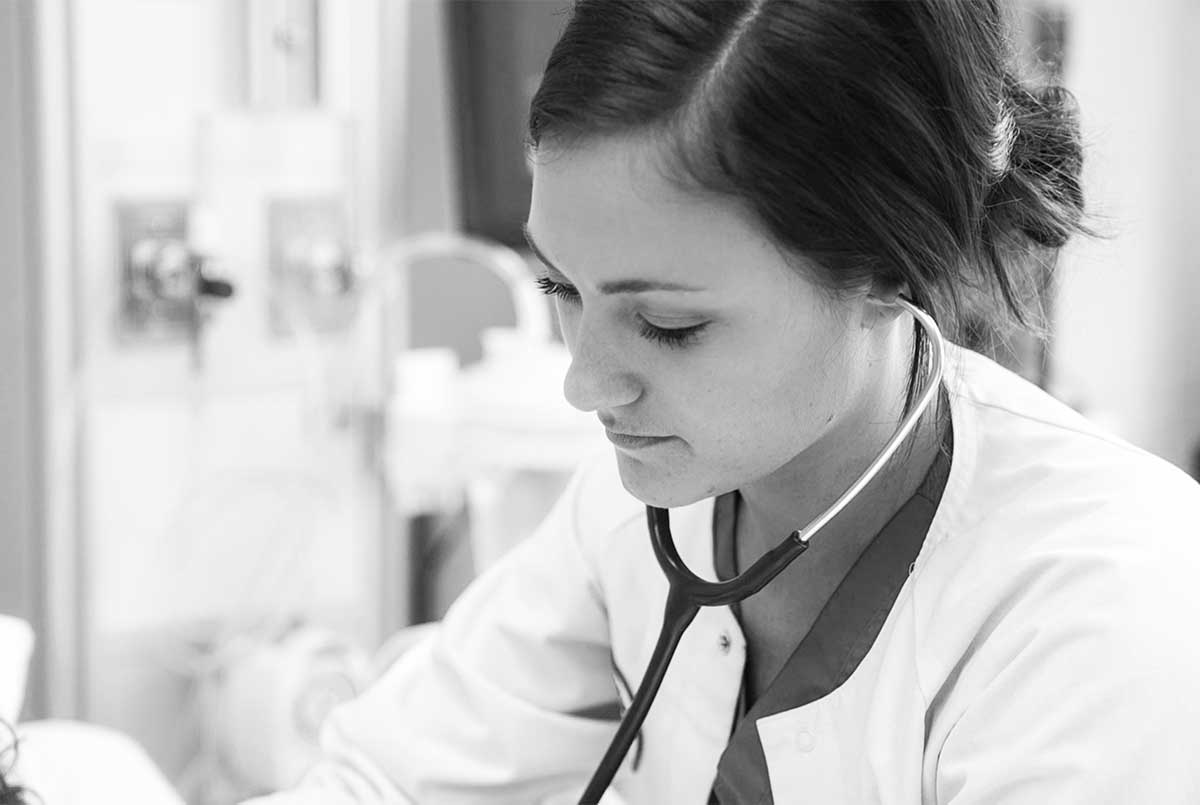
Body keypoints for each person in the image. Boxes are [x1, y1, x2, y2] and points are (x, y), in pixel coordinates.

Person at [248, 1, 1200, 802]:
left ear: (887, 269)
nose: (584, 384)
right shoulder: (635, 511)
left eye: (667, 324)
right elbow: (388, 778)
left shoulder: (1101, 605)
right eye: (561, 291)